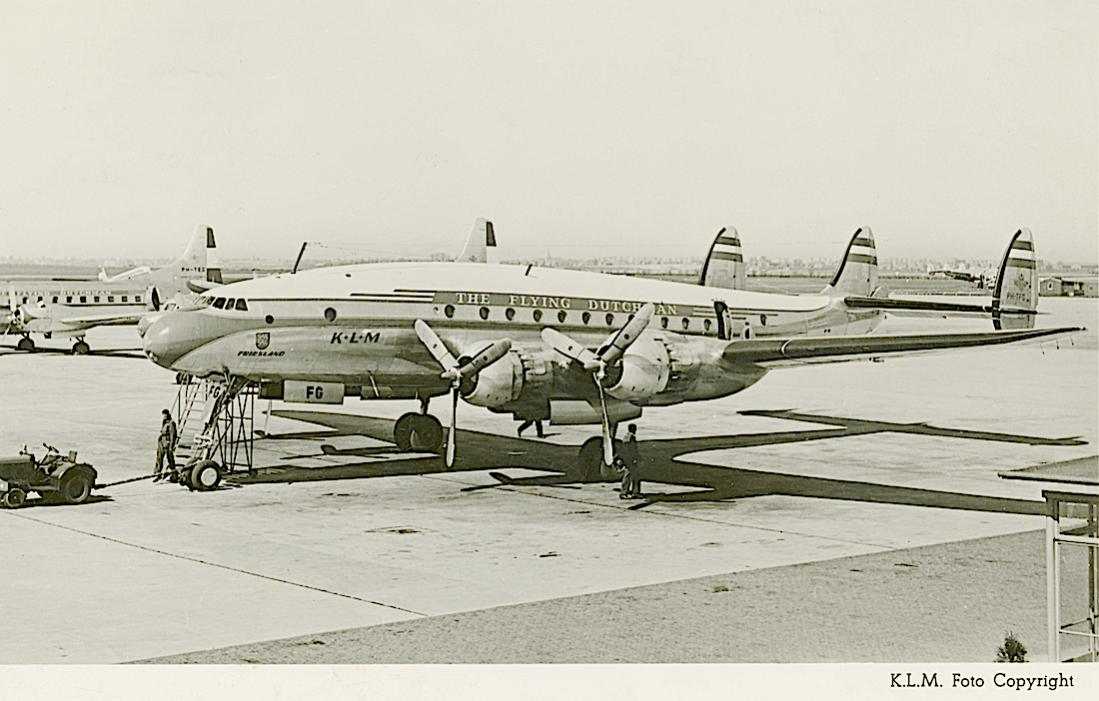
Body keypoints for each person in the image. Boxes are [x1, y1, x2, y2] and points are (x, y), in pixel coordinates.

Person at [153, 409, 178, 481]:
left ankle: (174, 474)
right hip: (161, 442)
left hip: (167, 443)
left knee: (170, 459)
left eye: (165, 415)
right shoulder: (164, 422)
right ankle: (157, 473)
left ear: (168, 415)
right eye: (163, 415)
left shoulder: (171, 423)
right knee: (159, 457)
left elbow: (173, 435)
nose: (164, 416)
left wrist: (171, 446)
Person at [619, 423, 642, 498]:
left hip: (627, 460)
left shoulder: (626, 437)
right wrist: (636, 458)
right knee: (633, 476)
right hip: (631, 460)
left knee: (628, 476)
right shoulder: (631, 438)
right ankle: (631, 492)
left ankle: (627, 492)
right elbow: (633, 450)